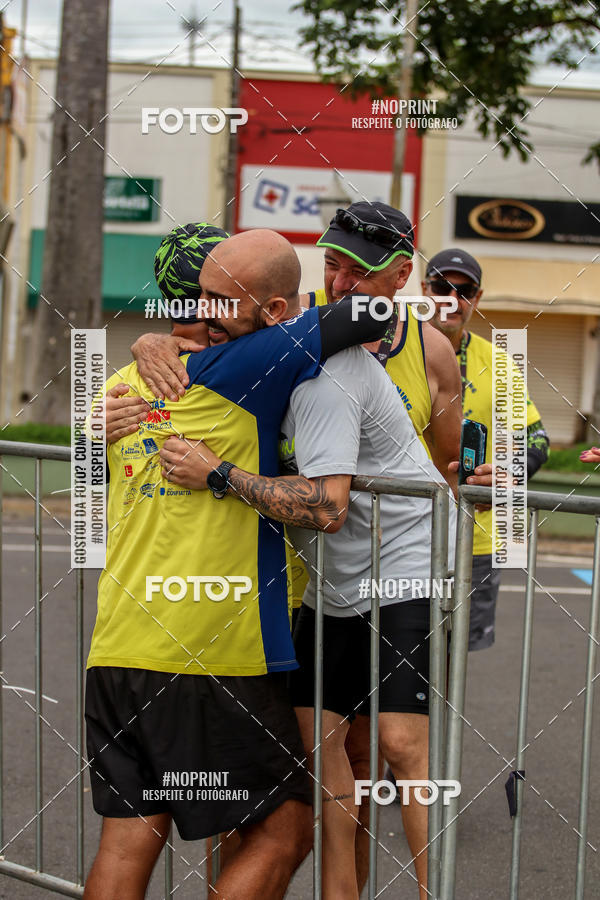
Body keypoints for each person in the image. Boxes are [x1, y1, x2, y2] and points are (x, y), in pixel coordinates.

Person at [84, 228, 394, 900]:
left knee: (126, 842)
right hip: (209, 651)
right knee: (284, 831)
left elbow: (95, 482)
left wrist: (149, 343)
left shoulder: (120, 387)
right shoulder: (249, 364)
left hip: (115, 649)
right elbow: (371, 312)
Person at [158, 217, 457, 900]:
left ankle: (432, 892)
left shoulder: (326, 370)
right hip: (332, 577)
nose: (205, 315)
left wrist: (218, 474)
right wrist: (156, 344)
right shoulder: (278, 342)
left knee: (401, 746)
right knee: (320, 747)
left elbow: (326, 507)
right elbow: (193, 349)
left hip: (402, 561)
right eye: (331, 266)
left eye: (219, 302)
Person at [425, 248, 550, 651]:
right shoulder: (394, 350)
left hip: (474, 541)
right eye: (442, 287)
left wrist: (505, 475)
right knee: (397, 656)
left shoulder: (498, 362)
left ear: (477, 298)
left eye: (464, 291)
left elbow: (536, 439)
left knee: (454, 660)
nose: (452, 299)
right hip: (400, 535)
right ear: (423, 289)